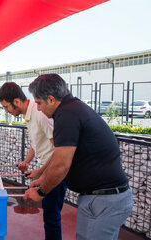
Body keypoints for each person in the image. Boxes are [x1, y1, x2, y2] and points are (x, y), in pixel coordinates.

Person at [26, 74, 133, 240]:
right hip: (107, 199)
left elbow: (62, 165)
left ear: (51, 99)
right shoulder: (73, 109)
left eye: (39, 103)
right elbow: (61, 153)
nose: (38, 108)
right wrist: (43, 177)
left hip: (103, 201)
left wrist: (40, 192)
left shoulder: (67, 116)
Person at [0, 82, 67, 240]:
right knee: (49, 216)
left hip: (55, 170)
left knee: (51, 217)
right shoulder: (29, 114)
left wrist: (41, 173)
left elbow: (59, 149)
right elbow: (35, 143)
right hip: (47, 168)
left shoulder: (39, 114)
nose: (6, 111)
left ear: (17, 101)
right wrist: (27, 161)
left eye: (6, 107)